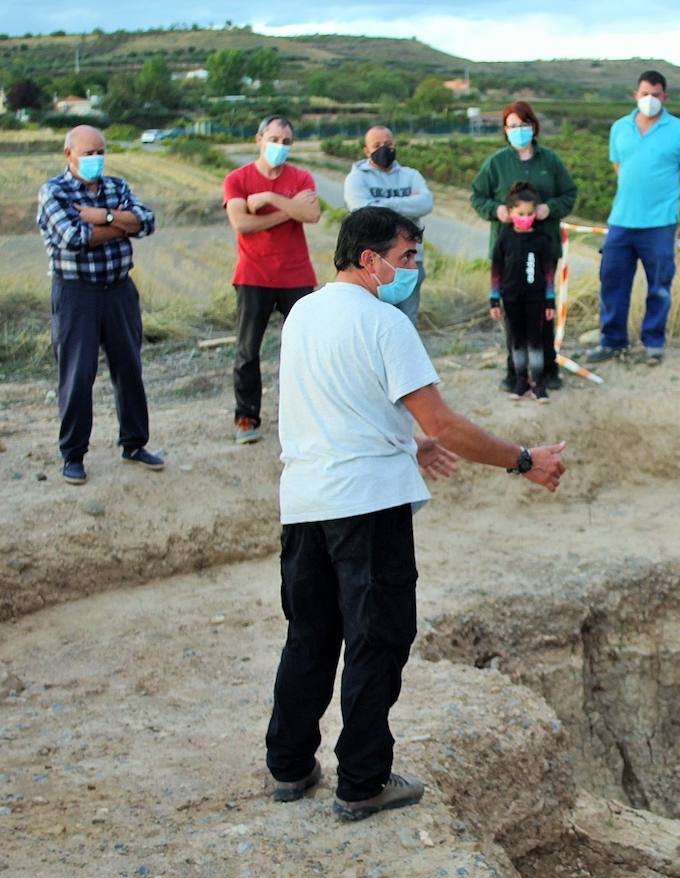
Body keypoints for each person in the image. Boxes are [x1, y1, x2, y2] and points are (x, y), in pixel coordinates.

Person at [264, 206, 567, 822]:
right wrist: (524, 459)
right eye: (405, 258)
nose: (412, 270)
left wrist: (407, 443)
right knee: (376, 640)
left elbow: (340, 401)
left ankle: (290, 766)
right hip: (368, 505)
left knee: (311, 636)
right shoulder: (386, 323)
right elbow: (446, 423)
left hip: (304, 503)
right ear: (368, 258)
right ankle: (364, 781)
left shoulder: (303, 313)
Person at [36, 125, 164, 485]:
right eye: (88, 153)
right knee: (77, 375)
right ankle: (73, 454)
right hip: (78, 294)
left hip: (119, 289)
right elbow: (74, 237)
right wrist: (122, 223)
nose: (95, 159)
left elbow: (148, 222)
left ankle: (134, 443)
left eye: (99, 152)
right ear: (69, 155)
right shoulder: (54, 191)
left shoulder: (117, 186)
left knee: (129, 368)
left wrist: (103, 217)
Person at [584, 70, 680, 367]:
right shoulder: (619, 128)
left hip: (660, 224)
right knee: (612, 283)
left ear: (665, 97)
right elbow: (618, 165)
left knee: (659, 286)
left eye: (656, 94)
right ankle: (612, 341)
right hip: (622, 221)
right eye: (645, 93)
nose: (650, 99)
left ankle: (653, 343)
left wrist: (663, 192)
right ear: (635, 95)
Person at [223, 114, 321, 445]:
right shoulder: (237, 179)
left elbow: (312, 215)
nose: (280, 147)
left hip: (297, 275)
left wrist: (268, 200)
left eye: (286, 142)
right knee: (248, 351)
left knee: (306, 351)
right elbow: (242, 224)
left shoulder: (301, 176)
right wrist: (290, 209)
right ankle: (246, 417)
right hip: (254, 275)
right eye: (274, 139)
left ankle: (308, 417)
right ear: (259, 139)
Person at [470, 101, 577, 391]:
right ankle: (514, 372)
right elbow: (477, 196)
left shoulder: (550, 161)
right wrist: (496, 210)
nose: (519, 130)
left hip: (544, 250)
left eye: (524, 124)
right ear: (505, 130)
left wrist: (550, 208)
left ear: (534, 126)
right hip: (509, 253)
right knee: (514, 314)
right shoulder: (496, 163)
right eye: (513, 125)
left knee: (543, 310)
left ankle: (548, 369)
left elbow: (569, 194)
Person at [342, 126, 434, 327]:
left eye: (388, 144)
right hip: (375, 263)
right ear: (367, 151)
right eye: (377, 145)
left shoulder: (411, 175)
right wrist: (406, 204)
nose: (384, 149)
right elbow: (362, 210)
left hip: (410, 260)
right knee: (376, 320)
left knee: (407, 320)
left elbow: (426, 203)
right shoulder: (357, 177)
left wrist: (382, 204)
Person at [490, 181, 557, 403]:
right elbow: (496, 270)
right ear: (510, 212)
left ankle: (539, 382)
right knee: (516, 340)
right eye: (520, 213)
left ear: (536, 213)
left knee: (535, 340)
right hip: (510, 298)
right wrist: (494, 299)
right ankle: (520, 381)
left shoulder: (541, 240)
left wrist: (550, 301)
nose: (525, 216)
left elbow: (548, 274)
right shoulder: (505, 238)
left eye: (529, 213)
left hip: (535, 299)